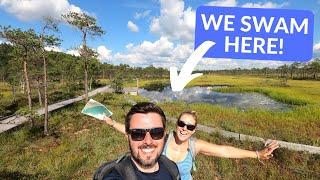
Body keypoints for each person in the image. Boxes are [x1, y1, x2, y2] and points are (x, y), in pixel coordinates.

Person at [104, 107, 279, 180]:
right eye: (181, 124)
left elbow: (225, 151)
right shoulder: (163, 138)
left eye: (189, 126)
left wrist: (257, 154)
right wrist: (112, 123)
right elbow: (137, 133)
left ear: (194, 129)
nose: (184, 129)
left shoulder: (195, 146)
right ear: (176, 124)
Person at [94, 102, 180, 180]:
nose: (148, 141)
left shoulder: (172, 168)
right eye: (138, 133)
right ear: (127, 136)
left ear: (164, 135)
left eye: (156, 132)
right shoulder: (114, 176)